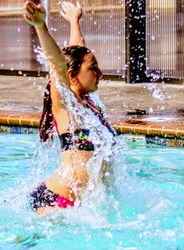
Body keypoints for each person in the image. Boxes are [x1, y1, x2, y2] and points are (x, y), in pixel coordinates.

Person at [23, 1, 116, 215]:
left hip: (77, 206)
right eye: (93, 68)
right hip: (55, 202)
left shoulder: (88, 103)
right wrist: (41, 27)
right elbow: (58, 64)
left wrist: (75, 21)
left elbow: (76, 53)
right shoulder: (65, 106)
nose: (99, 72)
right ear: (72, 75)